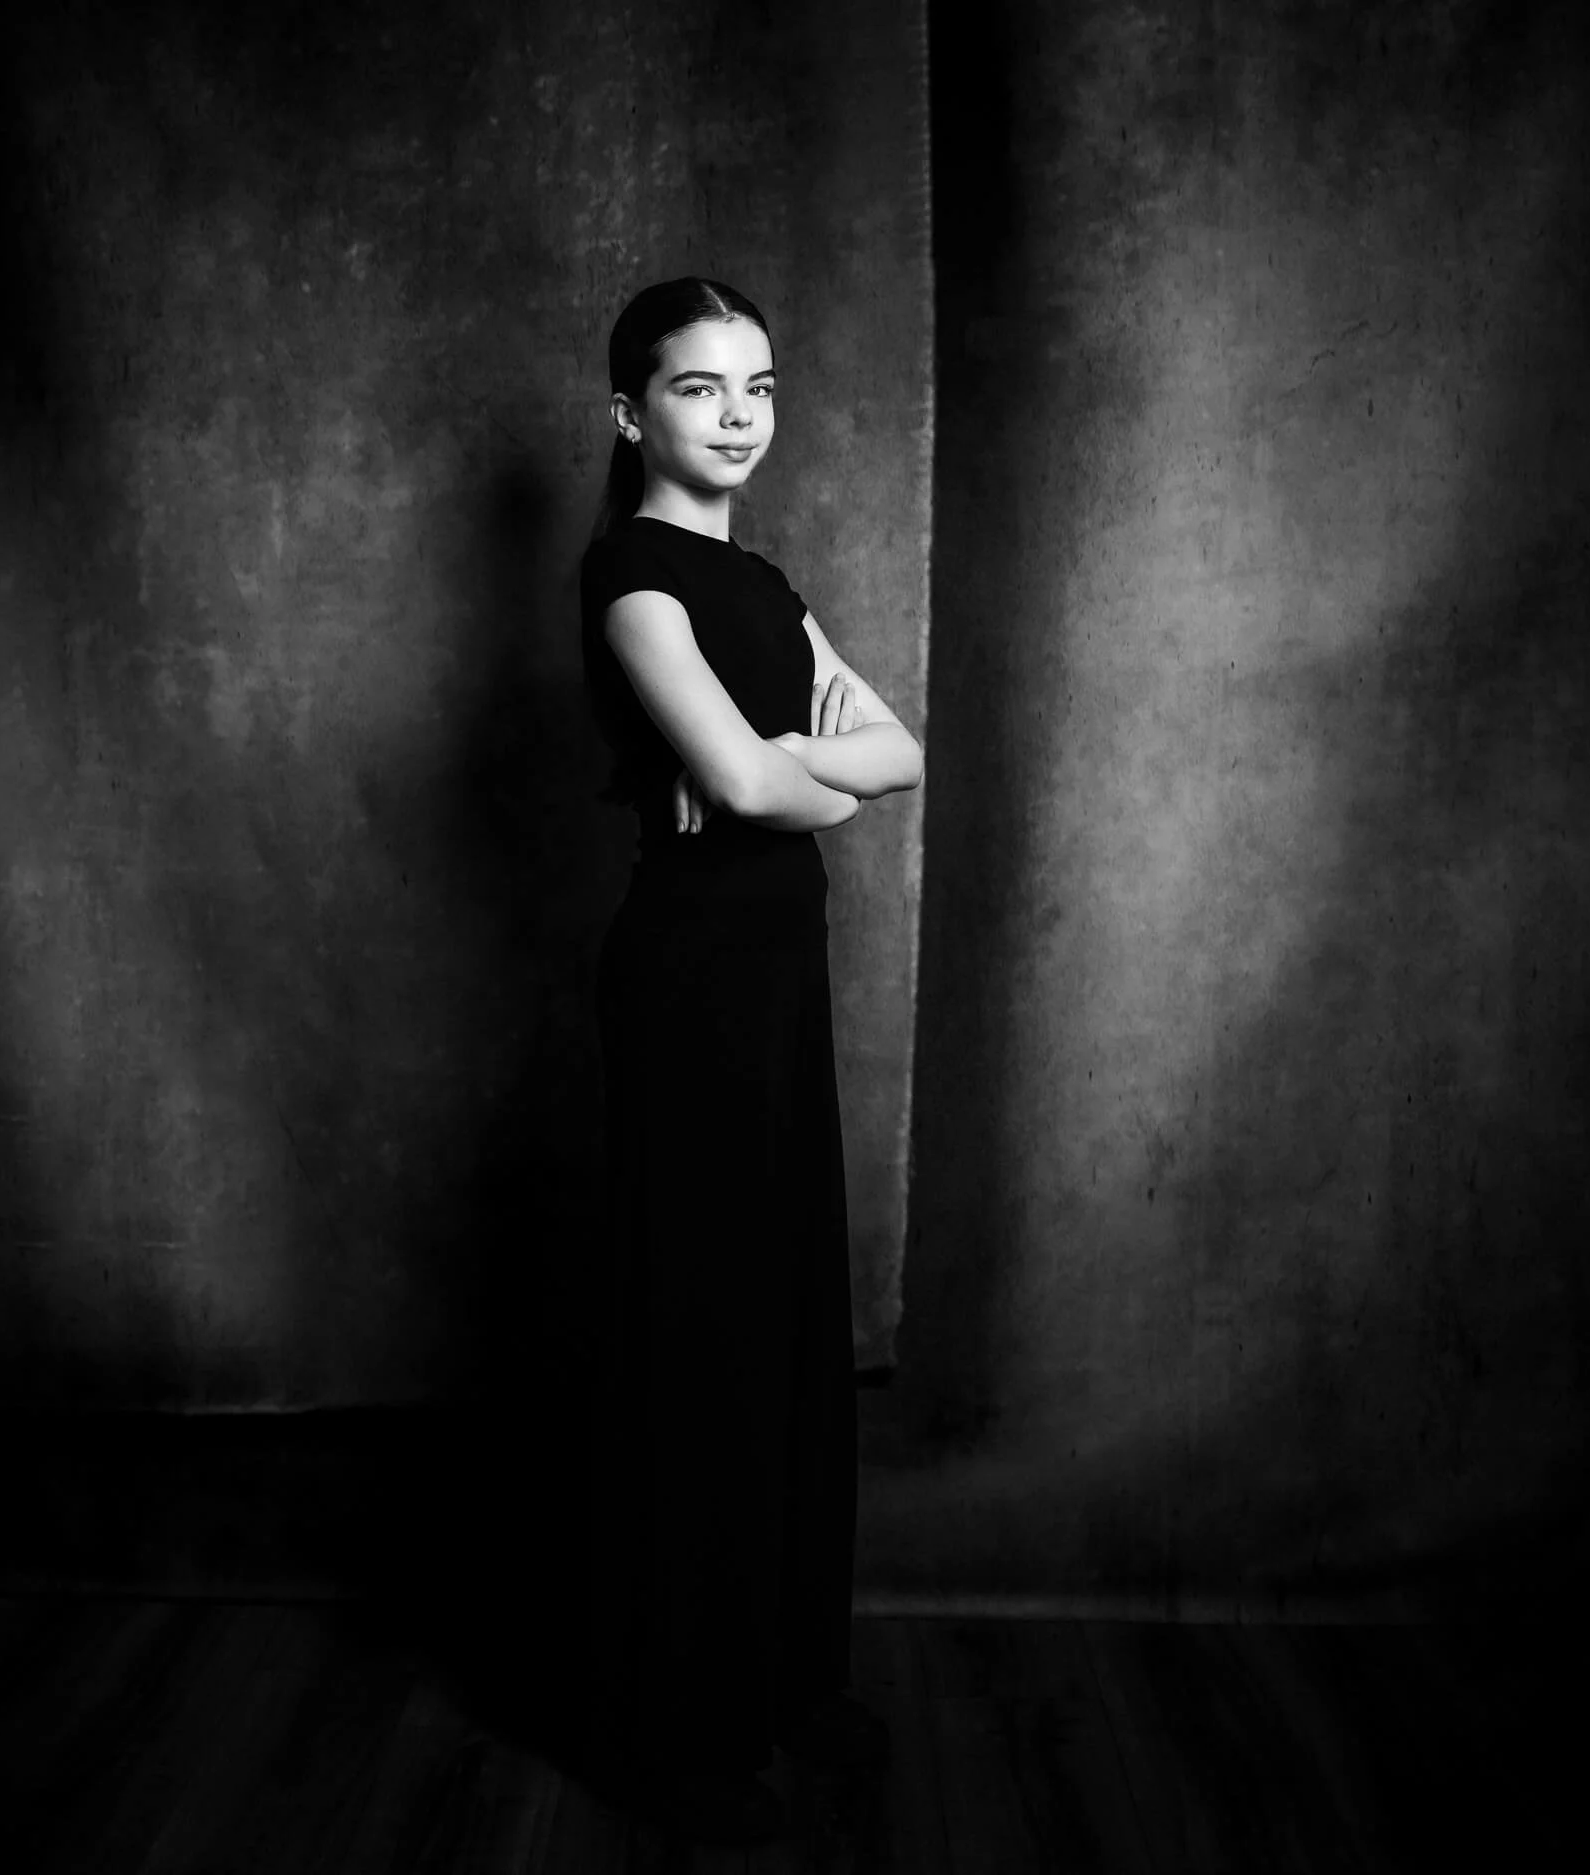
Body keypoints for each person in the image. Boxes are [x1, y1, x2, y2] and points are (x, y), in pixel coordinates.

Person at [574, 277, 924, 1843]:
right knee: (703, 1329)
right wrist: (798, 770)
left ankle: (781, 1680)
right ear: (629, 412)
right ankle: (681, 1724)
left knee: (785, 1323)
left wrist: (788, 771)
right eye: (701, 386)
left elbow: (894, 754)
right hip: (692, 989)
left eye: (761, 387)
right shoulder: (631, 582)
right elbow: (749, 781)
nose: (737, 415)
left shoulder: (767, 586)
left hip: (780, 980)